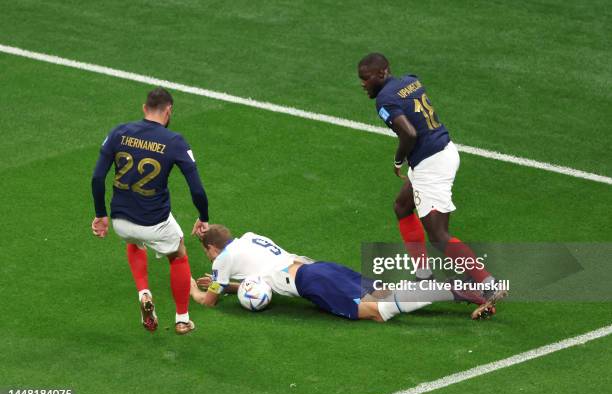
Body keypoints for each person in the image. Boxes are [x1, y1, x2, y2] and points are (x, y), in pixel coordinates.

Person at [357, 53, 506, 311]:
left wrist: (398, 160)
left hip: (431, 164)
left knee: (438, 235)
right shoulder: (410, 80)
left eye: (366, 78)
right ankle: (423, 276)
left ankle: (487, 282)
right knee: (402, 206)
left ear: (382, 73)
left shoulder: (384, 99)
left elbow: (409, 133)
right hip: (443, 151)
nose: (363, 84)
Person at [190, 225, 493, 322]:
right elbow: (258, 275)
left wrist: (192, 288)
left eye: (207, 252)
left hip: (310, 283)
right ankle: (470, 293)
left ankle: (449, 288)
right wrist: (229, 286)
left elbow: (208, 302)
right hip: (318, 268)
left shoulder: (221, 260)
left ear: (212, 249)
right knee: (385, 294)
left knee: (377, 312)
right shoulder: (249, 237)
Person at [91, 87, 209, 335]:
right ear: (169, 111)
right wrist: (203, 217)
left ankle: (144, 293)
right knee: (178, 255)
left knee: (135, 242)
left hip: (121, 221)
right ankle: (182, 319)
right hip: (155, 223)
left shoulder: (119, 132)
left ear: (144, 108)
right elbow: (197, 189)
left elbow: (97, 177)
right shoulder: (175, 141)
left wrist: (101, 214)